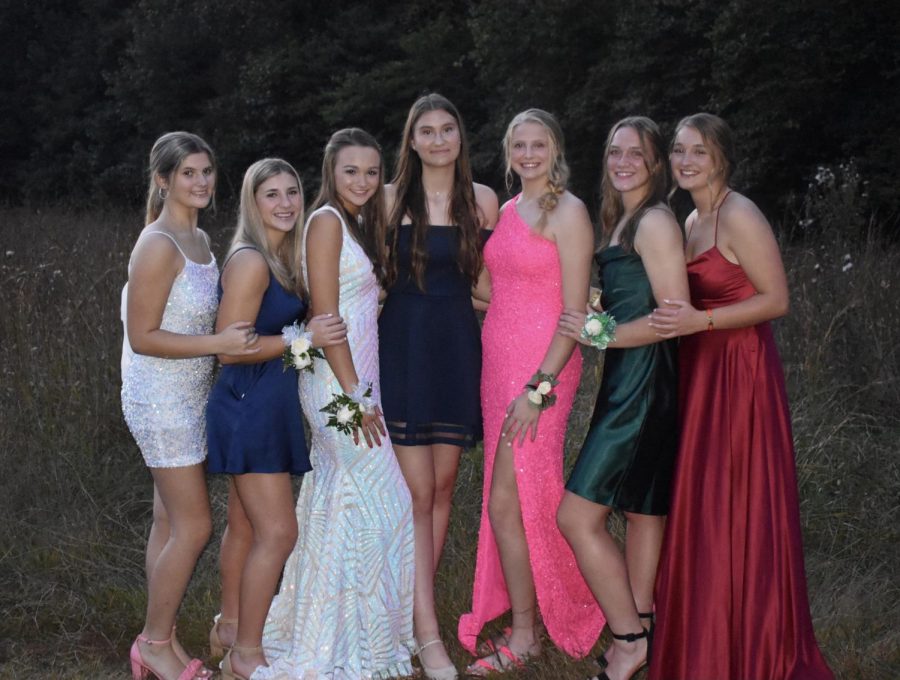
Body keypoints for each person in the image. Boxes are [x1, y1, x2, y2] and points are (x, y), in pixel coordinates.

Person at [646, 113, 834, 680]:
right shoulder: (691, 216)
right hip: (702, 371)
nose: (685, 161)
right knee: (705, 506)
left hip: (739, 372)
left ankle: (754, 645)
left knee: (738, 502)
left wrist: (702, 322)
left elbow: (777, 300)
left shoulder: (739, 213)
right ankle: (709, 641)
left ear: (722, 156)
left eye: (698, 151)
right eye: (678, 150)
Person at [253, 128, 415, 679]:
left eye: (373, 171)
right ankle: (346, 643)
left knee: (344, 504)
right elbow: (328, 319)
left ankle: (346, 634)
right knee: (385, 502)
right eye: (352, 171)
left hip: (355, 382)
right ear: (330, 172)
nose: (364, 181)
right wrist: (356, 397)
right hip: (337, 388)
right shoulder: (325, 222)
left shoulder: (356, 223)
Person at [459, 109, 605, 673]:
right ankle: (533, 619)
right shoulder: (510, 209)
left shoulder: (569, 212)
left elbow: (573, 313)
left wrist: (539, 389)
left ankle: (529, 633)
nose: (527, 154)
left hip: (541, 372)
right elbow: (494, 292)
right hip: (497, 366)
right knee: (521, 500)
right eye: (518, 144)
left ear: (556, 148)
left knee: (509, 499)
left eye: (537, 144)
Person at [121, 131, 260, 680]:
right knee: (195, 525)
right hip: (159, 396)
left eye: (207, 172)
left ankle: (162, 638)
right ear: (163, 180)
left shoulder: (199, 238)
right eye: (188, 174)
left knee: (167, 520)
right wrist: (219, 345)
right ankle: (154, 642)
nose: (201, 182)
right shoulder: (157, 244)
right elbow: (142, 336)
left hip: (188, 392)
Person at [204, 159, 347, 680]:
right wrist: (306, 340)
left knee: (244, 527)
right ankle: (245, 653)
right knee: (279, 532)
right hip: (248, 406)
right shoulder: (251, 262)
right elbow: (229, 347)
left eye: (292, 192)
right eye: (272, 195)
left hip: (267, 402)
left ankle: (229, 627)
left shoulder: (280, 256)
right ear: (252, 202)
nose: (286, 203)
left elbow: (283, 342)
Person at [555, 117, 687, 680]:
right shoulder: (620, 220)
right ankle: (647, 629)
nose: (624, 160)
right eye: (615, 151)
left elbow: (673, 317)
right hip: (626, 376)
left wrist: (598, 334)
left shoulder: (654, 221)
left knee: (576, 516)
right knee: (641, 509)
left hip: (644, 379)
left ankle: (628, 638)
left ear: (656, 164)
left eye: (637, 153)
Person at [379, 93, 498, 679]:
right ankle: (425, 634)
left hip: (456, 347)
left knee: (445, 485)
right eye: (425, 131)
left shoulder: (483, 200)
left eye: (447, 129)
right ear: (412, 140)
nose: (437, 140)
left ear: (460, 137)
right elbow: (368, 281)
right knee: (416, 493)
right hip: (400, 348)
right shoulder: (385, 200)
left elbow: (488, 287)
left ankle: (413, 611)